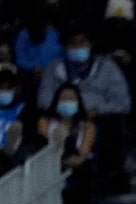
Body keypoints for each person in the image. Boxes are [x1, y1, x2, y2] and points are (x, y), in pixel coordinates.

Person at [37, 29, 130, 193]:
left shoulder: (107, 67)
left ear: (90, 44)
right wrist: (62, 109)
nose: (78, 47)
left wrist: (99, 110)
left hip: (97, 117)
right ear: (66, 46)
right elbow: (44, 99)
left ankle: (107, 177)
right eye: (74, 43)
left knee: (111, 126)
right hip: (61, 118)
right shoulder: (54, 68)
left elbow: (122, 102)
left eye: (82, 42)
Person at [39, 83, 96, 204]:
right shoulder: (45, 121)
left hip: (78, 162)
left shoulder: (87, 125)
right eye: (64, 98)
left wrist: (77, 160)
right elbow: (44, 142)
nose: (67, 102)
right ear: (57, 101)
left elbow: (85, 149)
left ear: (78, 102)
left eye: (71, 99)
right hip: (52, 161)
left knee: (85, 173)